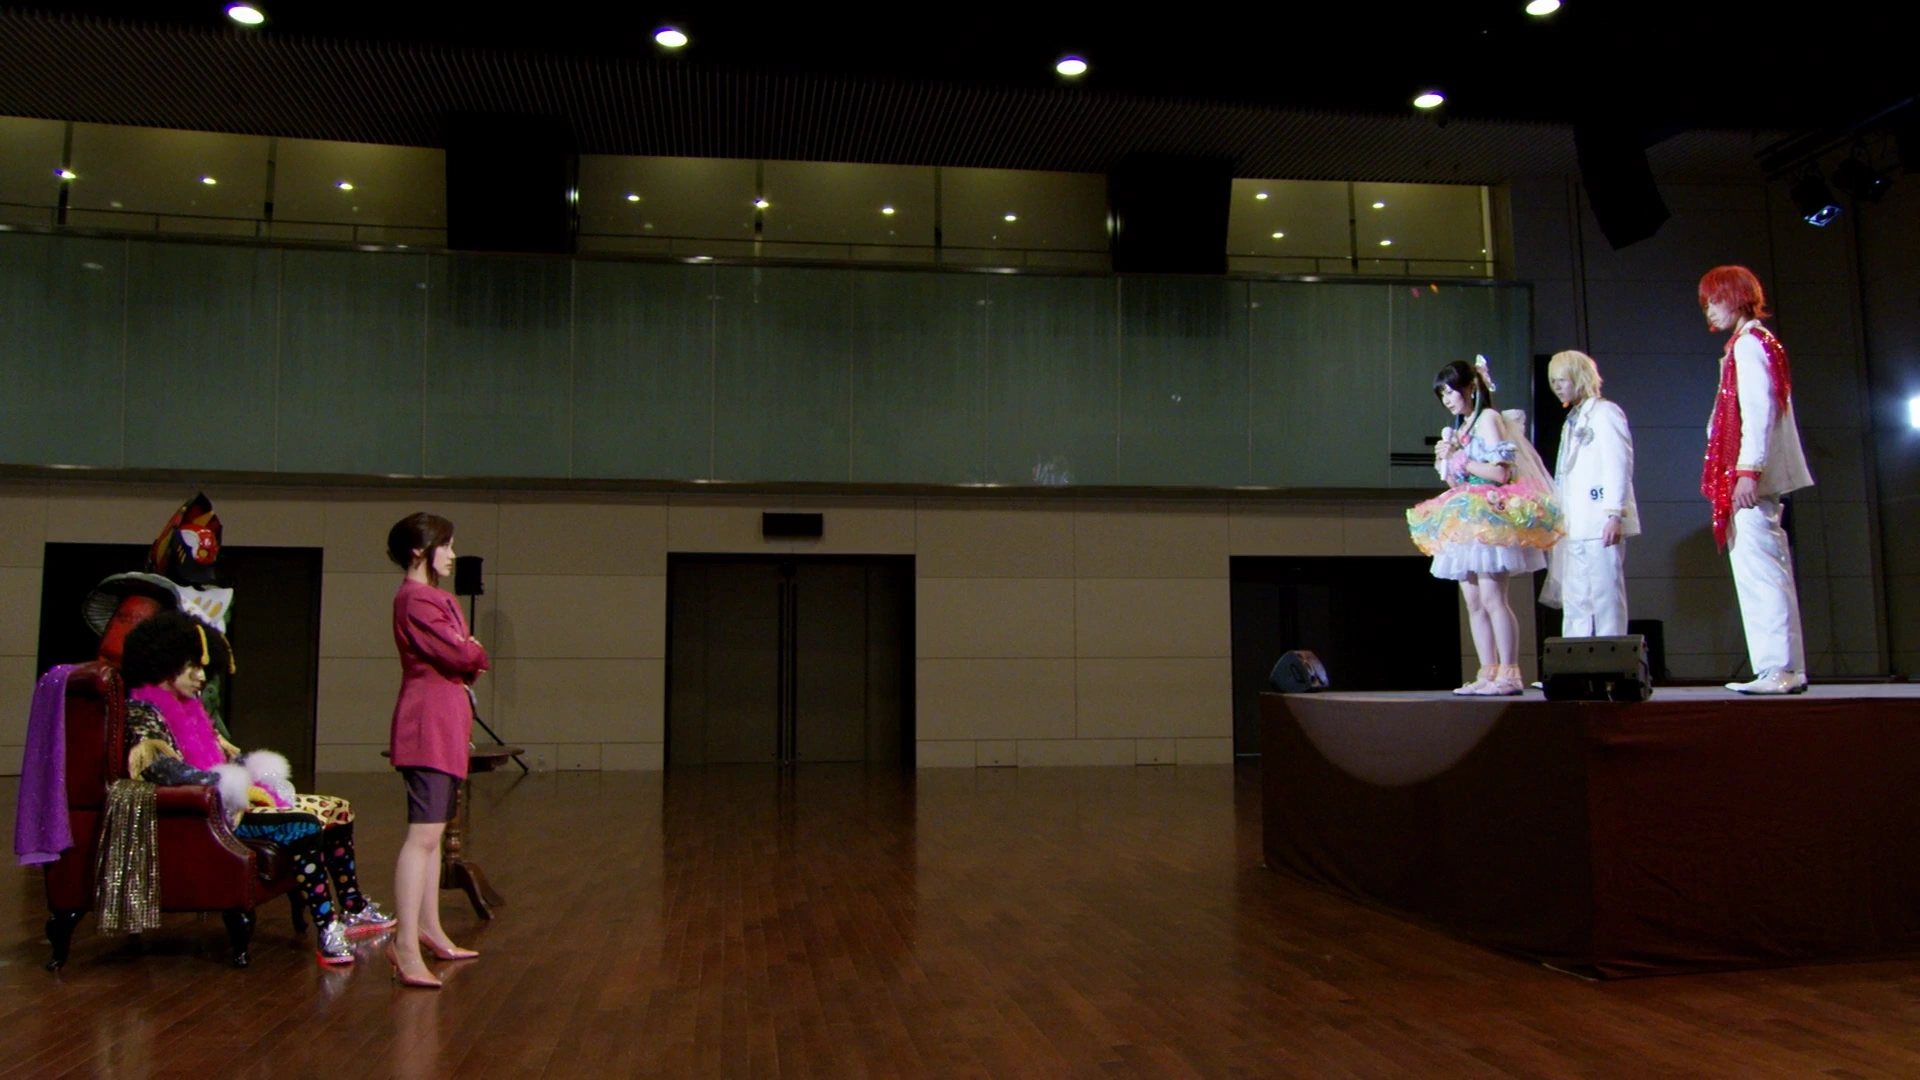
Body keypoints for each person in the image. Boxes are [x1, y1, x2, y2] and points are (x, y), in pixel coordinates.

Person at [120, 611, 394, 965]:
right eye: (192, 668)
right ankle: (328, 928)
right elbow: (160, 768)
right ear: (164, 666)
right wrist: (228, 783)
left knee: (337, 808)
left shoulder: (190, 710)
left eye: (203, 668)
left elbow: (221, 755)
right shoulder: (142, 711)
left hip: (227, 804)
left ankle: (353, 908)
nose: (201, 677)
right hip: (209, 815)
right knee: (304, 825)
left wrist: (254, 770)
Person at [1407, 358, 1562, 695]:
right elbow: (1455, 481)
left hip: (1489, 510)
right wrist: (1447, 460)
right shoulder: (1460, 429)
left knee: (1493, 596)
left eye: (1451, 392)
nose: (1447, 400)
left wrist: (1464, 460)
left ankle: (1510, 673)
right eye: (1442, 395)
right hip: (1465, 512)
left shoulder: (1488, 419)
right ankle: (1487, 671)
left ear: (1470, 388)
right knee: (1473, 600)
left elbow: (1501, 473)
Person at [1698, 266, 1814, 694]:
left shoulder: (1749, 345)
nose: (1709, 309)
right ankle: (1783, 668)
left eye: (1714, 300)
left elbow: (1758, 411)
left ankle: (1778, 668)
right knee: (1765, 569)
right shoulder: (1753, 343)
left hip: (1749, 479)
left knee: (1760, 572)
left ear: (1735, 297)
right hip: (1748, 476)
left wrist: (1748, 471)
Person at [387, 512, 490, 988]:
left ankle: (429, 928)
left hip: (444, 720)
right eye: (445, 545)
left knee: (434, 833)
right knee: (423, 836)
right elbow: (460, 653)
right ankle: (405, 943)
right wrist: (472, 651)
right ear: (419, 551)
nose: (451, 554)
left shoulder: (435, 597)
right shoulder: (417, 599)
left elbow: (461, 651)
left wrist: (468, 651)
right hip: (427, 723)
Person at [1542, 350, 1639, 637]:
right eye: (1553, 381)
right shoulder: (1572, 420)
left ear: (1579, 376)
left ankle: (1611, 654)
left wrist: (1615, 513)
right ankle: (1576, 655)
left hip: (1598, 521)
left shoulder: (1605, 413)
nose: (1557, 387)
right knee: (1576, 596)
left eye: (1562, 379)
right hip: (1574, 524)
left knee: (1605, 593)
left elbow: (1618, 464)